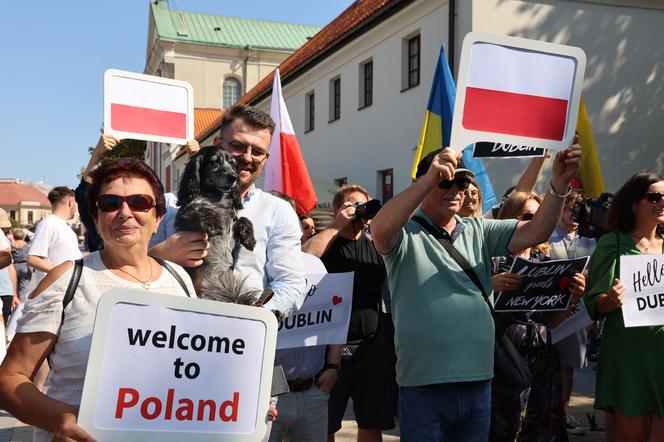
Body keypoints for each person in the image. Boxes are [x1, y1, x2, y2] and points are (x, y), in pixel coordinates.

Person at [370, 140, 580, 441]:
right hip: (424, 386)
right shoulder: (405, 233)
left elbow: (537, 232)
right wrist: (431, 176)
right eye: (446, 180)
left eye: (462, 182)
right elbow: (379, 230)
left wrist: (558, 183)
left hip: (479, 382)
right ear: (423, 181)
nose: (455, 189)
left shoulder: (478, 228)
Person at [0, 159, 196, 442]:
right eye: (110, 203)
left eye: (140, 202)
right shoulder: (68, 279)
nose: (125, 212)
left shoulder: (179, 279)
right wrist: (60, 420)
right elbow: (9, 379)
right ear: (95, 217)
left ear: (158, 218)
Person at [151, 104, 306, 319]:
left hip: (241, 337)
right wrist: (158, 254)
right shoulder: (167, 206)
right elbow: (131, 268)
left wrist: (253, 317)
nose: (247, 157)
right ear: (218, 145)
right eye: (238, 146)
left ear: (266, 158)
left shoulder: (278, 210)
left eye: (258, 151)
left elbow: (291, 283)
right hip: (175, 329)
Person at [490, 191, 586, 441]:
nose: (536, 223)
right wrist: (492, 286)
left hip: (541, 355)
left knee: (540, 427)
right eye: (528, 216)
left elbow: (550, 322)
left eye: (540, 216)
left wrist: (572, 299)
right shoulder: (492, 260)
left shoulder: (545, 260)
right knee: (504, 427)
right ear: (510, 219)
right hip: (503, 355)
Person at [303, 184, 395, 442]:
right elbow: (305, 257)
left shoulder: (375, 243)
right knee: (326, 422)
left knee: (371, 419)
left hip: (372, 344)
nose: (358, 210)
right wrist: (337, 225)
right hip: (334, 349)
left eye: (362, 204)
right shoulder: (327, 241)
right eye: (351, 205)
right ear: (336, 210)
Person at [584, 171, 664, 441]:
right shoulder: (612, 244)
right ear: (634, 203)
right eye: (654, 197)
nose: (662, 202)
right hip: (628, 353)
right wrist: (610, 299)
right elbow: (593, 303)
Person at [548, 190, 597, 435]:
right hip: (548, 312)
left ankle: (563, 413)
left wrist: (591, 317)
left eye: (579, 210)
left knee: (567, 366)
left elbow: (597, 278)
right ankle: (544, 411)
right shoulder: (546, 235)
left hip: (576, 313)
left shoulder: (590, 239)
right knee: (546, 364)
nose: (574, 215)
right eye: (569, 209)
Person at [27, 186, 82, 283]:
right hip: (54, 293)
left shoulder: (61, 226)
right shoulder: (48, 224)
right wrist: (62, 273)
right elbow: (33, 259)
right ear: (71, 202)